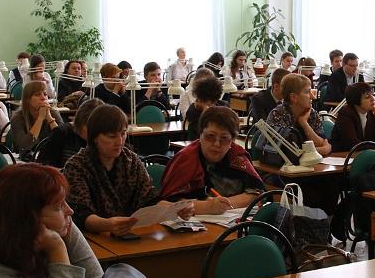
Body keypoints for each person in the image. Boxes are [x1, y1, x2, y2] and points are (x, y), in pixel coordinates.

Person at [64, 105, 193, 235]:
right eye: (111, 136)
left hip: (130, 233)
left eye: (123, 133)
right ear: (94, 138)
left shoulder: (131, 160)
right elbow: (82, 215)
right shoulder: (77, 166)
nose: (119, 141)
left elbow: (150, 199)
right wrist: (108, 224)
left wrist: (173, 209)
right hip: (93, 238)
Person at [159, 106, 264, 210]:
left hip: (234, 218)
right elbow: (168, 203)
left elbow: (257, 193)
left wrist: (225, 205)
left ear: (232, 140)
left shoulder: (237, 156)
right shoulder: (185, 159)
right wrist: (209, 207)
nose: (217, 143)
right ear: (200, 134)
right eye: (210, 136)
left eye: (224, 138)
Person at [259, 73, 331, 157]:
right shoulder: (277, 114)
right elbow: (290, 152)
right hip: (281, 164)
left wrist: (304, 123)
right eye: (307, 92)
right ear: (293, 97)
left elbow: (320, 143)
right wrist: (322, 150)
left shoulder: (311, 113)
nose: (313, 96)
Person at [37, 98, 104, 168]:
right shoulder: (62, 133)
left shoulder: (104, 140)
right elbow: (42, 165)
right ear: (80, 122)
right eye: (90, 129)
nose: (93, 135)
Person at [330, 82, 375, 152]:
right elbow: (352, 143)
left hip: (363, 153)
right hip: (342, 155)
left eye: (372, 94)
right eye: (367, 97)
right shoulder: (345, 114)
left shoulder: (373, 112)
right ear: (356, 101)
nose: (373, 98)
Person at [10, 80, 63, 152]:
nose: (43, 98)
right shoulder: (17, 117)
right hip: (26, 156)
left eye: (45, 94)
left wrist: (49, 118)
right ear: (28, 99)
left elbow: (63, 139)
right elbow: (26, 145)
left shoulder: (53, 113)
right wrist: (40, 119)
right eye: (38, 95)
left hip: (49, 154)